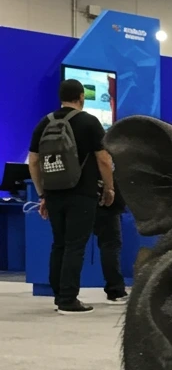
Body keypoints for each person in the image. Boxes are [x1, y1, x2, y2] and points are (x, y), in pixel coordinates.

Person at [27, 78, 115, 314]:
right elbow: (104, 159)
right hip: (82, 192)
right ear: (81, 97)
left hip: (53, 193)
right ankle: (68, 299)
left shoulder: (44, 123)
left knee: (59, 244)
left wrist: (42, 194)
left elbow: (33, 161)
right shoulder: (90, 122)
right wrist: (109, 188)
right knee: (76, 245)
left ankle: (59, 293)